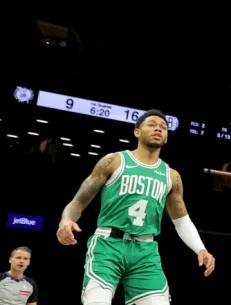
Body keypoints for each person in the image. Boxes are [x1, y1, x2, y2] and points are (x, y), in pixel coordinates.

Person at [56, 110, 216, 305]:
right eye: (151, 124)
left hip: (145, 251)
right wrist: (66, 220)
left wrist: (200, 248)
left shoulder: (171, 176)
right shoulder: (114, 161)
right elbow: (79, 201)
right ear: (137, 132)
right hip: (108, 244)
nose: (158, 128)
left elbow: (181, 221)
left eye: (164, 127)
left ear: (166, 137)